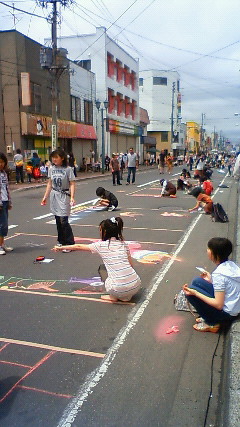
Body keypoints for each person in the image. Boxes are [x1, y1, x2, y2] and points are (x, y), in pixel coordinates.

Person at [52, 216, 141, 302]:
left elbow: (78, 246)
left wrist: (60, 247)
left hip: (118, 288)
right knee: (123, 283)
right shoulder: (124, 244)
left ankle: (114, 296)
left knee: (103, 269)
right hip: (135, 285)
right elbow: (131, 265)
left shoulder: (101, 245)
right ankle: (125, 296)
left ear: (105, 232)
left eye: (100, 230)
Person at [183, 238, 240, 333]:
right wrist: (211, 279)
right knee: (197, 281)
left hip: (227, 313)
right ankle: (209, 315)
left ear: (215, 254)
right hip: (234, 305)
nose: (207, 250)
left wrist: (196, 293)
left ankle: (211, 322)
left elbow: (218, 305)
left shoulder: (219, 275)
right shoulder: (231, 265)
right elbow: (226, 285)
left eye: (209, 249)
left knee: (190, 292)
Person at [41, 149, 75, 252]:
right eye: (53, 157)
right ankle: (61, 241)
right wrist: (45, 197)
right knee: (57, 219)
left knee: (63, 220)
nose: (54, 159)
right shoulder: (51, 169)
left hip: (64, 195)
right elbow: (49, 184)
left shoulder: (68, 169)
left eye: (56, 157)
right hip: (54, 195)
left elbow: (72, 183)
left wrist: (72, 197)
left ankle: (69, 243)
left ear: (62, 158)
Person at [0, 153, 13, 255]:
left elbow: (6, 189)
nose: (1, 164)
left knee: (4, 225)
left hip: (4, 201)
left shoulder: (4, 173)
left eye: (2, 162)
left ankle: (2, 244)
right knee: (2, 225)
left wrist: (9, 202)